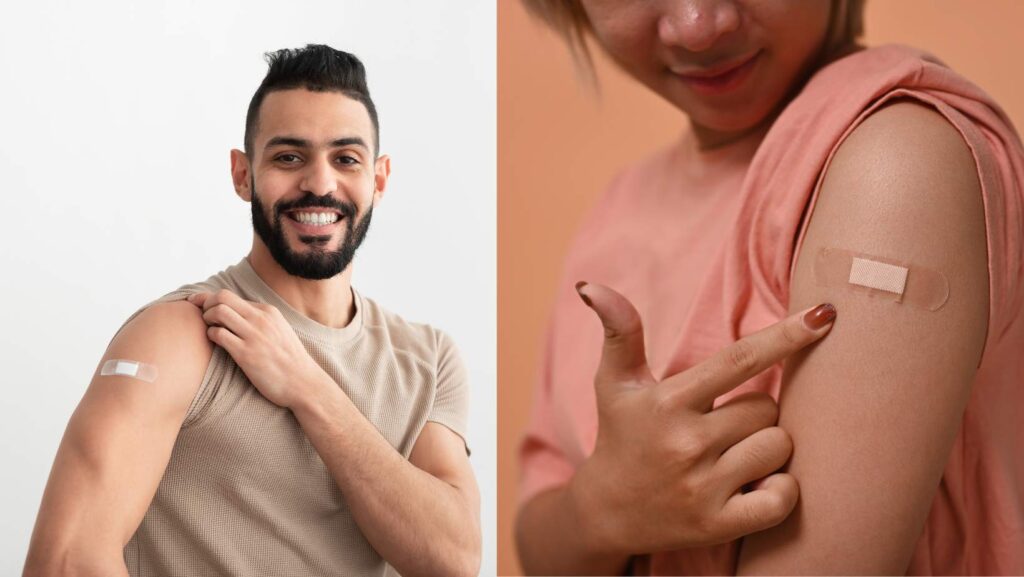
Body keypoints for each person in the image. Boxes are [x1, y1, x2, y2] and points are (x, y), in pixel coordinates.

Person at [515, 1, 1024, 574]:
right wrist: (597, 510)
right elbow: (537, 536)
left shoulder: (896, 166)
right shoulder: (616, 209)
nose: (697, 28)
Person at [23, 45, 480, 577]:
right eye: (289, 157)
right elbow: (65, 561)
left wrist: (308, 387)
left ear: (378, 179)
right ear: (243, 175)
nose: (320, 183)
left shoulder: (427, 359)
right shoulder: (180, 334)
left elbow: (454, 560)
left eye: (346, 159)